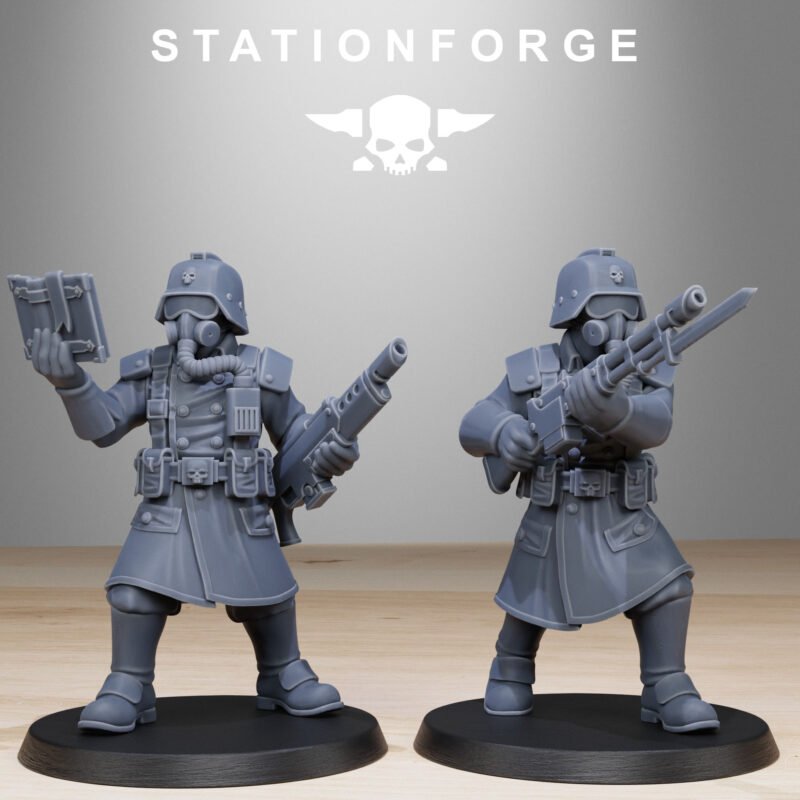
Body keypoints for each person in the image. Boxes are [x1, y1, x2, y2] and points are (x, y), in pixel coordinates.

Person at [29, 252, 359, 733]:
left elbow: (296, 430)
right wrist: (72, 383)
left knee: (268, 595)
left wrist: (332, 447)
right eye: (175, 310)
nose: (184, 324)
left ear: (226, 315)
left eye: (198, 310)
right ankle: (128, 683)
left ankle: (283, 674)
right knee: (133, 594)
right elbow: (103, 426)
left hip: (238, 507)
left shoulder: (259, 370)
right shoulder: (153, 370)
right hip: (168, 507)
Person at [459, 248, 719, 733]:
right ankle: (510, 667)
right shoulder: (535, 368)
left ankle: (667, 684)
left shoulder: (644, 363)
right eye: (603, 314)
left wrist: (616, 410)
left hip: (621, 512)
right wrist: (504, 433)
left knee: (668, 587)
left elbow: (658, 423)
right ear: (574, 315)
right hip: (554, 512)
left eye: (625, 314)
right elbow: (473, 421)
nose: (615, 329)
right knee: (530, 596)